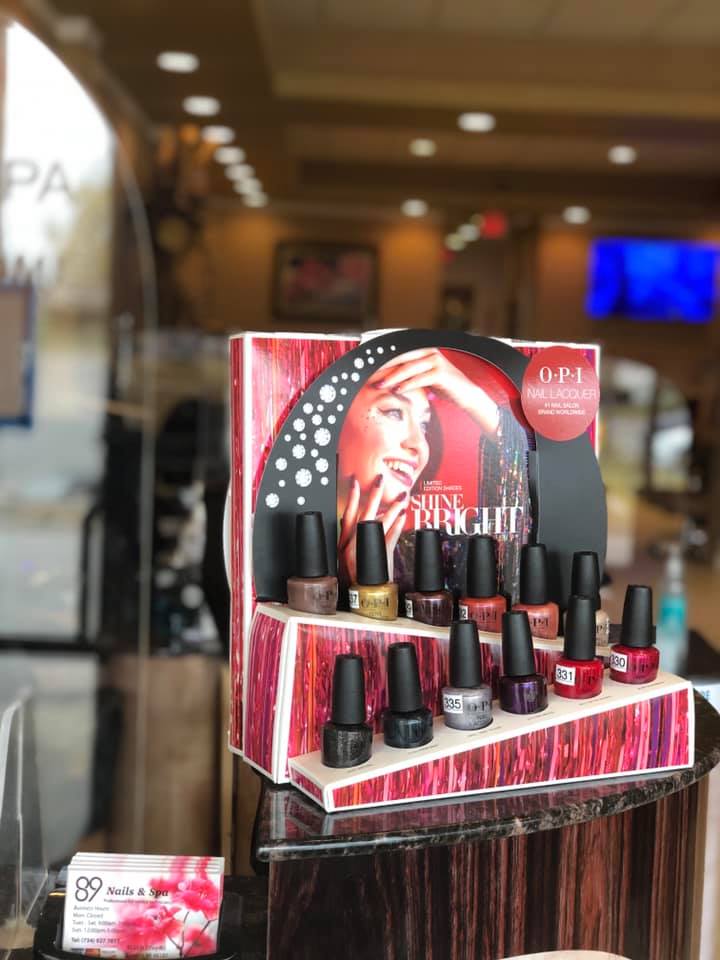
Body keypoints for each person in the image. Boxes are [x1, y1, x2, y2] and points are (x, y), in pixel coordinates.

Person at [337, 347, 500, 587]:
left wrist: (476, 400)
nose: (420, 445)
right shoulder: (288, 546)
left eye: (424, 425)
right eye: (394, 412)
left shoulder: (439, 552)